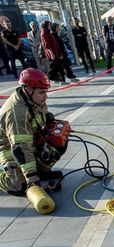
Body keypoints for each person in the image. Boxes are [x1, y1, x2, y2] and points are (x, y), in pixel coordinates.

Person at [0, 69, 66, 214]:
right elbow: (20, 149)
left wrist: (48, 118)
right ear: (28, 89)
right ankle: (7, 177)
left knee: (58, 142)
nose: (46, 96)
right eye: (41, 92)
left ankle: (41, 171)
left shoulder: (34, 99)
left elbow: (39, 117)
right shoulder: (16, 114)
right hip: (9, 148)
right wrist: (32, 179)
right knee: (20, 187)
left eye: (46, 91)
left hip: (29, 141)